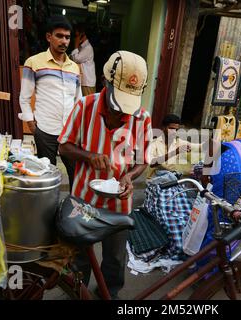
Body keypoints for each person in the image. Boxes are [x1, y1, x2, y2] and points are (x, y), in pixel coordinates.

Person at [58, 50, 152, 299]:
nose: (122, 113)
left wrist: (129, 177)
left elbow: (142, 161)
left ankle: (108, 294)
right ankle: (77, 293)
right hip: (83, 199)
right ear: (105, 82)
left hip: (119, 204)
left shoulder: (142, 118)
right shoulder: (85, 106)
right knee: (80, 256)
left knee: (115, 258)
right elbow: (64, 146)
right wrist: (89, 156)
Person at [19, 15, 80, 190]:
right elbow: (24, 96)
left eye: (67, 37)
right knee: (48, 173)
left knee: (75, 172)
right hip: (45, 129)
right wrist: (30, 122)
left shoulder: (74, 68)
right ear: (48, 37)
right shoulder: (34, 63)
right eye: (59, 36)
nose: (64, 41)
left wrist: (78, 126)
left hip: (69, 131)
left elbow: (78, 100)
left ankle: (74, 210)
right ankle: (49, 211)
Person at [71, 23, 96, 96]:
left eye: (76, 36)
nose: (75, 38)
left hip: (87, 83)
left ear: (82, 35)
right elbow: (71, 57)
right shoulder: (81, 47)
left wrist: (75, 45)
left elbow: (75, 59)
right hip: (84, 81)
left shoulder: (88, 48)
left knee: (88, 105)